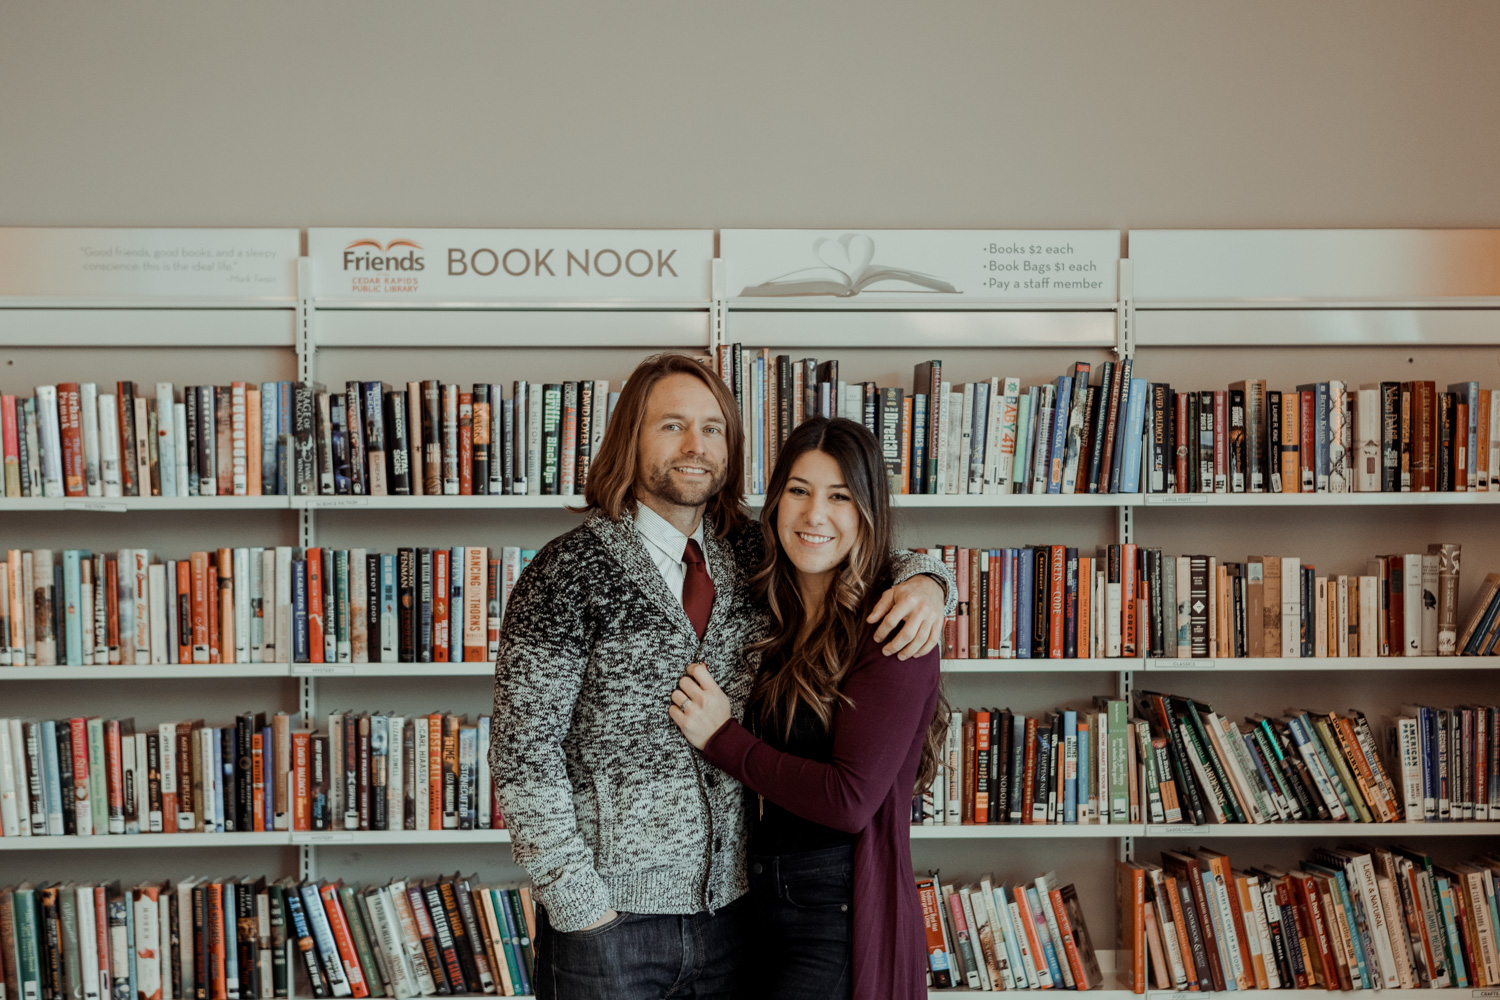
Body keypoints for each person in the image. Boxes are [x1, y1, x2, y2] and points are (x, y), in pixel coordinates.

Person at [488, 353, 953, 1000]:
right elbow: (522, 758)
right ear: (631, 437)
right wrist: (580, 910)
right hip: (610, 930)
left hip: (738, 918)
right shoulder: (565, 574)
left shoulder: (751, 552)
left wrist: (931, 584)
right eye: (672, 425)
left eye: (712, 429)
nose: (695, 445)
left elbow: (852, 545)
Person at [670, 416, 946, 1000]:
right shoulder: (774, 610)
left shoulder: (893, 632)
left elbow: (849, 802)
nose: (814, 515)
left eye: (839, 497)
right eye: (798, 490)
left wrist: (723, 740)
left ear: (868, 511)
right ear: (774, 504)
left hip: (834, 909)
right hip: (753, 896)